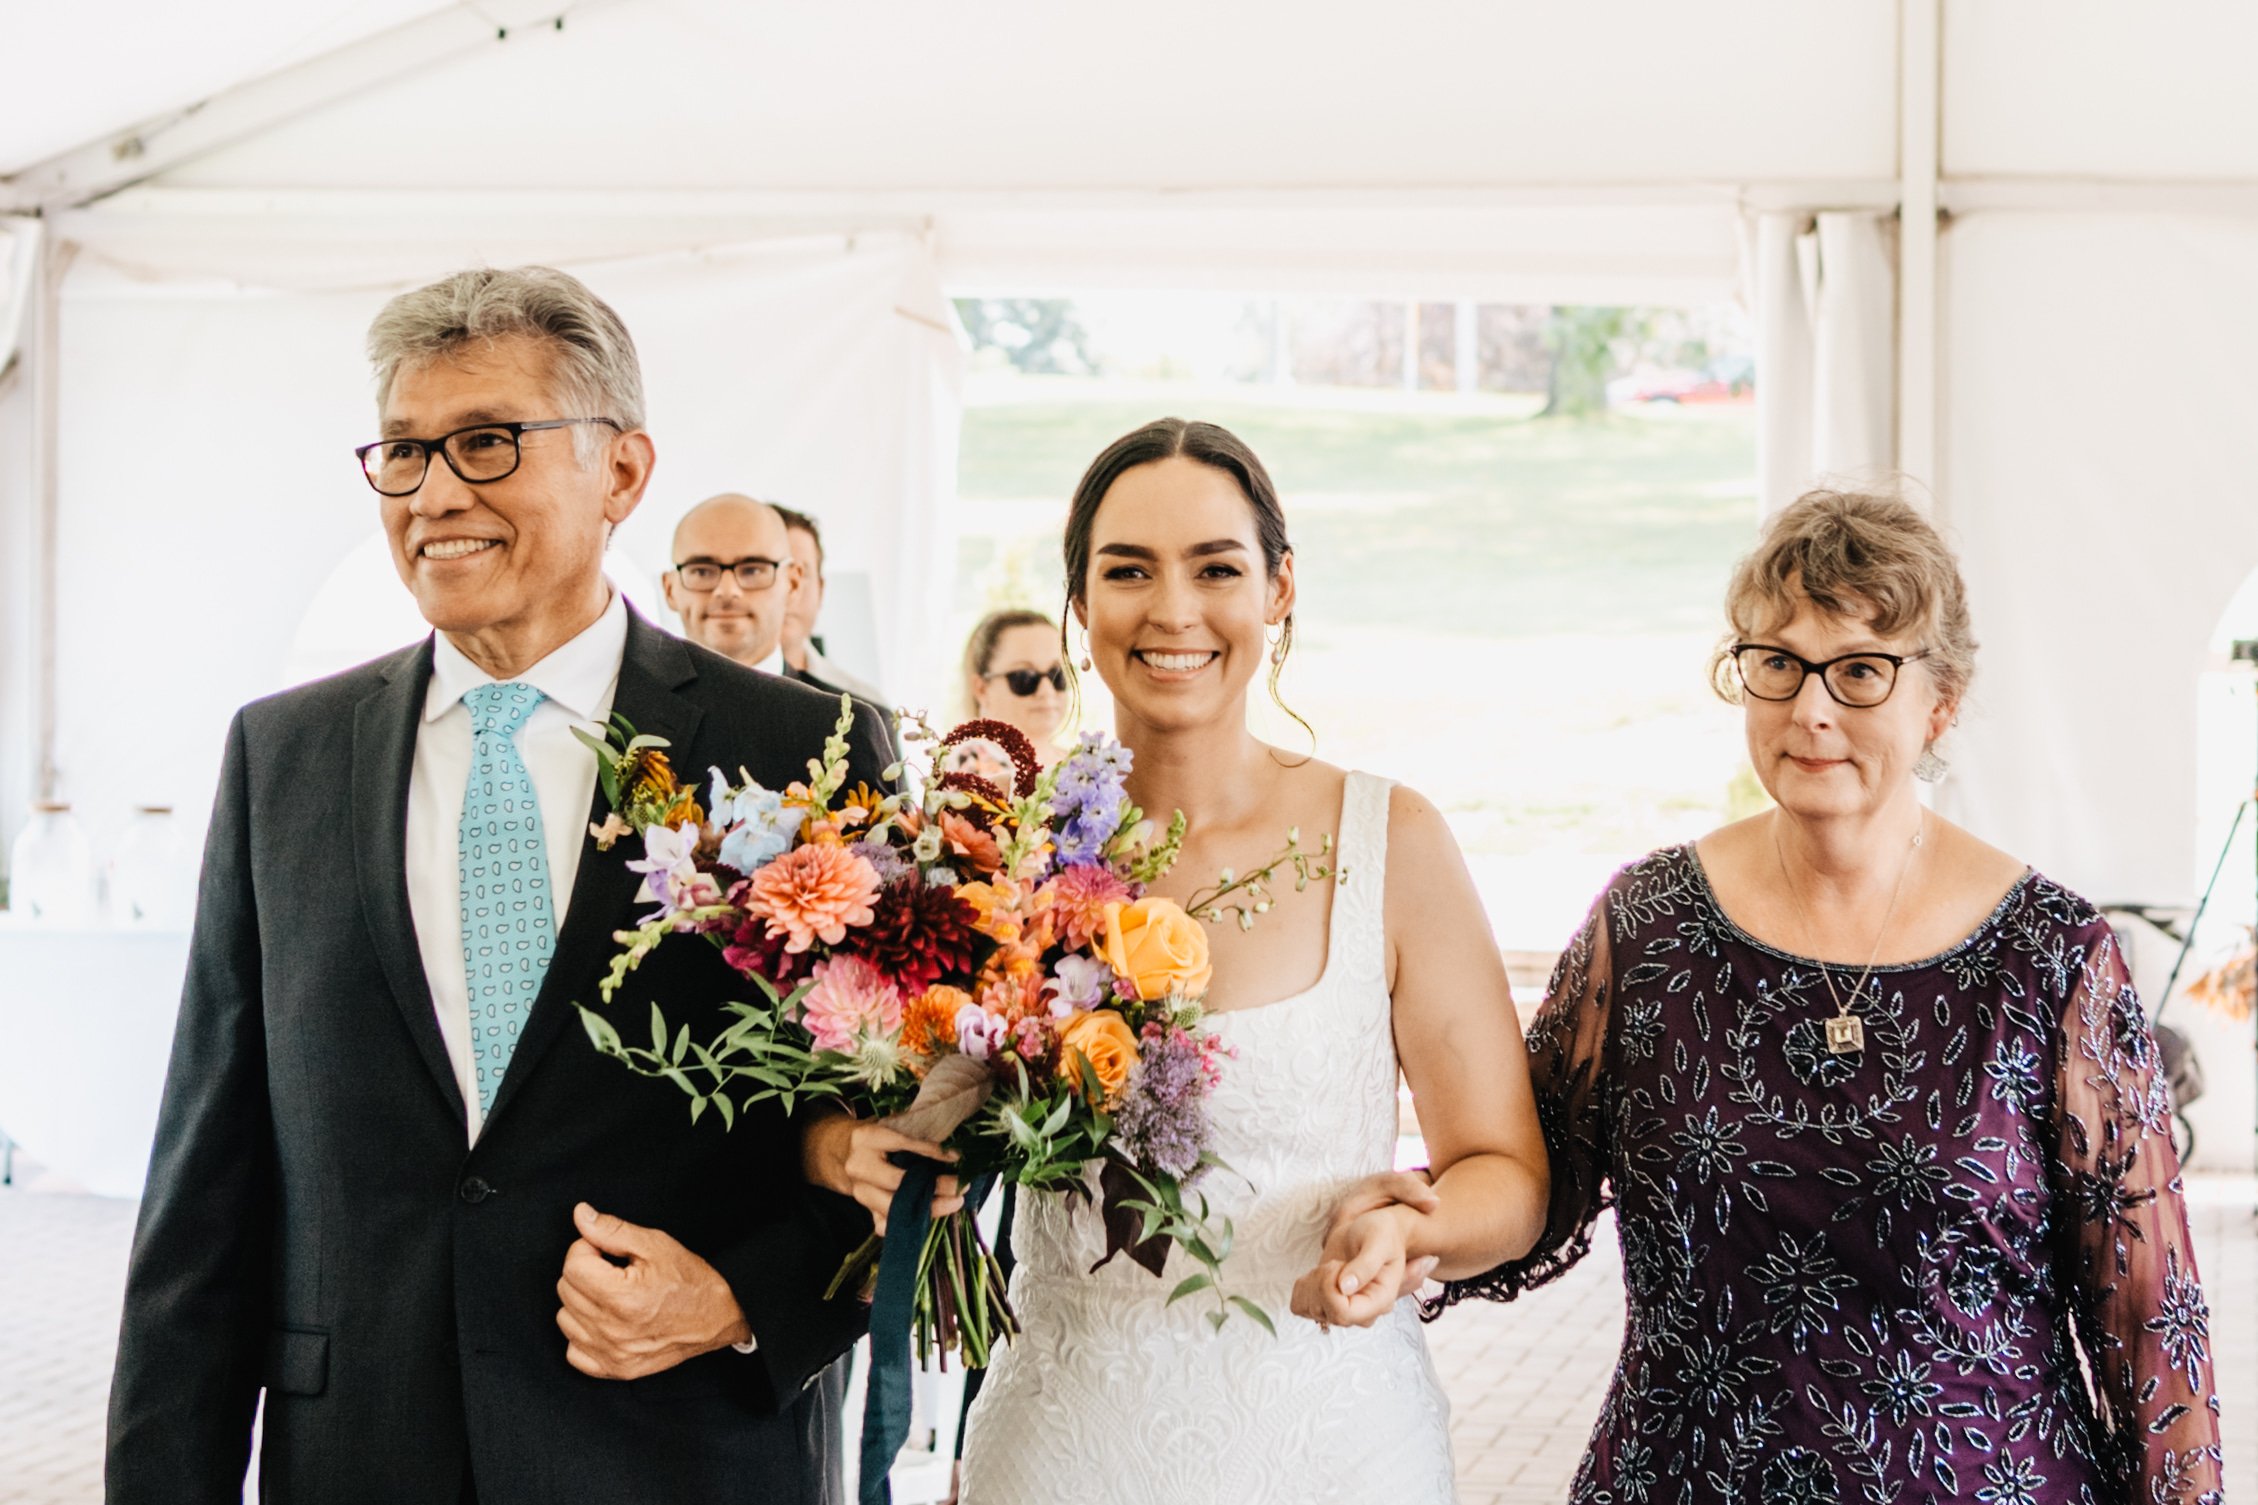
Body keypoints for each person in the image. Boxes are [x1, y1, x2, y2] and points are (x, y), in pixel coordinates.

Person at [105, 266, 892, 1505]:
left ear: (621, 472)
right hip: (363, 1452)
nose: (433, 494)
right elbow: (208, 1182)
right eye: (405, 453)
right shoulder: (284, 755)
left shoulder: (794, 751)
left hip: (676, 1454)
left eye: (485, 444)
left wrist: (742, 1296)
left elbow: (889, 1147)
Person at [1427, 489, 2224, 1504]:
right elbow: (1526, 1185)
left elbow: (2149, 1312)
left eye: (1857, 671)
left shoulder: (2050, 954)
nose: (1809, 708)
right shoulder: (1645, 924)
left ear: (1939, 700)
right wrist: (1399, 1220)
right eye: (1778, 663)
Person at [839, 416, 1552, 1503]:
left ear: (1277, 588)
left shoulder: (1389, 840)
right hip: (1066, 1442)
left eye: (1214, 567)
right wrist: (863, 1145)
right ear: (1079, 604)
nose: (1172, 609)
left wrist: (1415, 1225)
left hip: (1339, 1447)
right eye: (1128, 570)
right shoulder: (1001, 857)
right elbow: (884, 1115)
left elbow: (1505, 1174)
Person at [666, 495, 894, 766]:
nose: (726, 591)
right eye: (702, 571)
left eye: (752, 570)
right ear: (669, 589)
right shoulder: (631, 707)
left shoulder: (854, 724)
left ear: (793, 584)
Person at [775, 504, 888, 706]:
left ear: (821, 589)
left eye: (799, 574)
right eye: (761, 572)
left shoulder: (866, 705)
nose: (786, 591)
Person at [956, 608, 1069, 761]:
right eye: (1025, 677)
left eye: (1056, 675)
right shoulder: (964, 777)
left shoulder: (1087, 768)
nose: (1046, 690)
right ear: (981, 689)